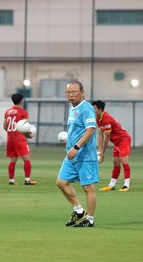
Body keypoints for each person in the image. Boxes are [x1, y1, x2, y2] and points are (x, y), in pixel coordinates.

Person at [56, 80, 99, 227]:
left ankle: (90, 220)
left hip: (85, 155)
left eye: (74, 92)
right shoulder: (73, 108)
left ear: (82, 92)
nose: (71, 95)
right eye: (68, 92)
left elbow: (91, 130)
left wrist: (76, 146)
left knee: (88, 187)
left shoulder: (86, 108)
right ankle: (79, 211)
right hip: (72, 154)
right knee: (61, 182)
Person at [92, 100, 132, 192]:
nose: (93, 111)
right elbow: (100, 134)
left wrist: (103, 153)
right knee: (116, 163)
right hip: (117, 142)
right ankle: (112, 185)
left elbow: (107, 137)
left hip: (123, 140)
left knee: (124, 162)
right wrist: (99, 150)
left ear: (100, 109)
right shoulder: (98, 119)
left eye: (94, 109)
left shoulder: (106, 119)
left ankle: (126, 185)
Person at [3, 93, 36, 185]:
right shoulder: (23, 112)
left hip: (10, 138)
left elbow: (5, 126)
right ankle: (27, 180)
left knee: (13, 160)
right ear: (21, 100)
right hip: (19, 138)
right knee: (26, 159)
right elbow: (24, 127)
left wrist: (11, 133)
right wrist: (28, 135)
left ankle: (11, 180)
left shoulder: (7, 112)